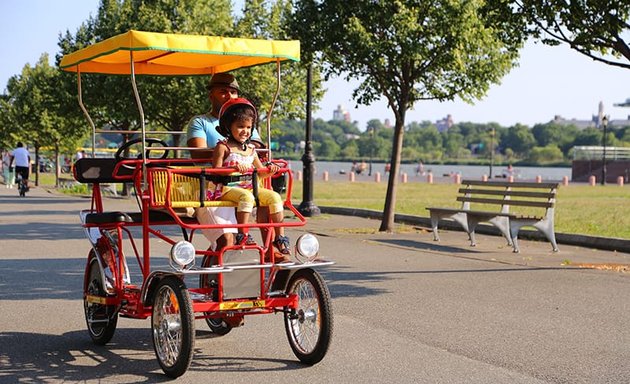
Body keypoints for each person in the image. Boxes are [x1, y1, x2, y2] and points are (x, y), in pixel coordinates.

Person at [186, 72, 266, 251]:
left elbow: (257, 148)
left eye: (233, 92)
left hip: (245, 186)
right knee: (226, 241)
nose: (230, 96)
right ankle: (217, 276)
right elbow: (198, 154)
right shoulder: (200, 122)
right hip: (212, 190)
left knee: (270, 201)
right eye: (223, 91)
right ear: (211, 94)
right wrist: (229, 149)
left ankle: (275, 252)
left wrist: (229, 149)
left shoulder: (243, 118)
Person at [211, 98, 290, 255]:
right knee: (246, 197)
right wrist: (233, 168)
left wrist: (270, 170)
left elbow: (260, 171)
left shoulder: (251, 150)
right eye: (240, 127)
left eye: (248, 127)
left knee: (274, 197)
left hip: (250, 187)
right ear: (229, 126)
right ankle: (243, 234)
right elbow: (216, 170)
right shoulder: (223, 147)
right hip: (229, 188)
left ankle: (280, 238)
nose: (245, 131)